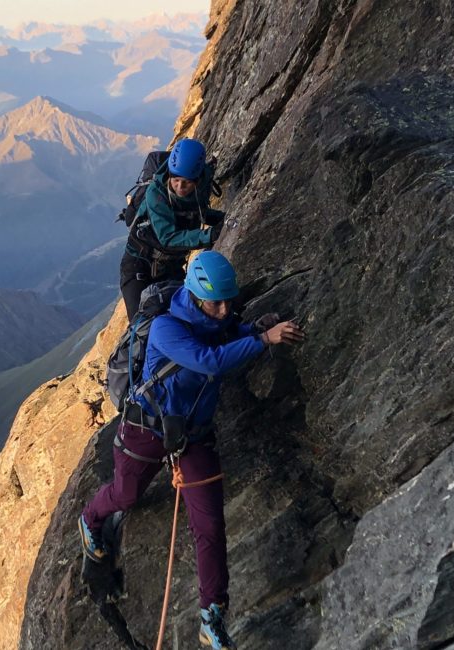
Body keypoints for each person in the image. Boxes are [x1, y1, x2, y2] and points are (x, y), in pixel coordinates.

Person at [81, 251, 304, 650]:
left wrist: (254, 329)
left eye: (227, 301)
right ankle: (90, 518)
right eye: (214, 302)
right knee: (126, 495)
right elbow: (210, 362)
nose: (222, 310)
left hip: (192, 435)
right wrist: (261, 340)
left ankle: (211, 616)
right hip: (147, 428)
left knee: (210, 524)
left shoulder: (220, 321)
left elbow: (228, 336)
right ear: (195, 295)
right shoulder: (168, 328)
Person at [121, 138, 225, 321]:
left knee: (191, 319)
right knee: (141, 327)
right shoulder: (156, 194)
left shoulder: (202, 185)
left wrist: (222, 219)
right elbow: (168, 237)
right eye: (175, 180)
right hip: (139, 266)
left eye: (186, 182)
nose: (180, 187)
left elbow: (195, 212)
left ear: (198, 178)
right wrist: (210, 235)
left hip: (171, 267)